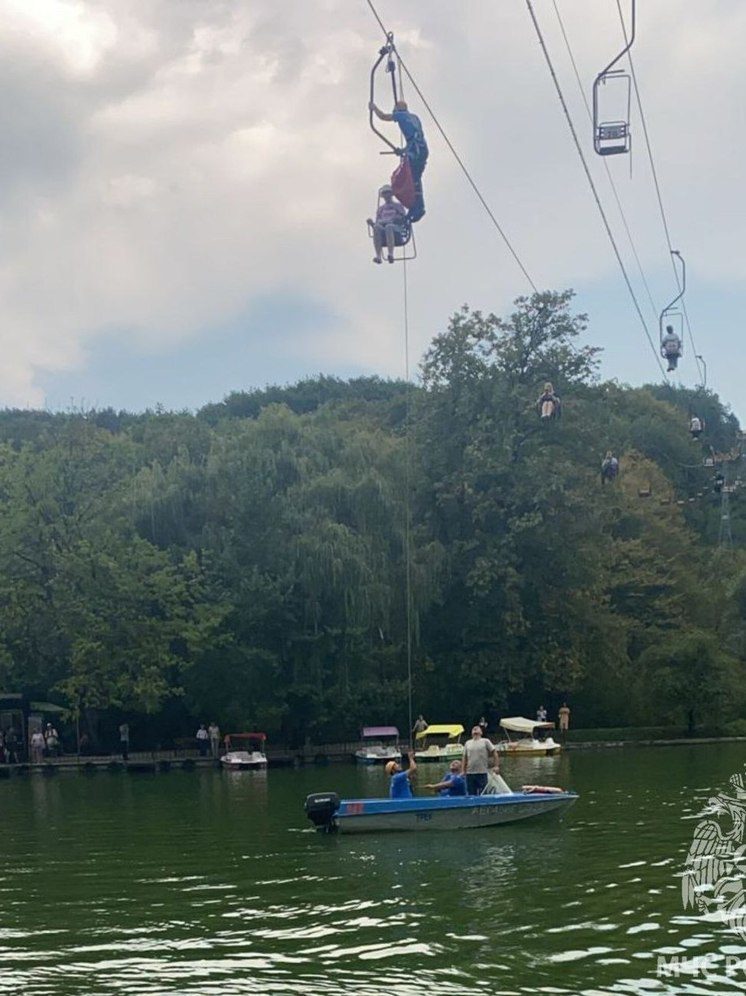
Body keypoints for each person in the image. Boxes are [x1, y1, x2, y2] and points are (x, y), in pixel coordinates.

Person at [369, 99, 428, 222]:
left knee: (411, 178)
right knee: (416, 178)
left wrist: (373, 108)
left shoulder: (401, 115)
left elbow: (383, 116)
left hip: (415, 152)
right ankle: (417, 206)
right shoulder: (414, 117)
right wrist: (403, 151)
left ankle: (417, 207)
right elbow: (414, 137)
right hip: (421, 150)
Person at [368, 184, 408, 264]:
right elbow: (377, 223)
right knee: (377, 227)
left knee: (389, 227)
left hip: (396, 229)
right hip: (383, 229)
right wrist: (372, 224)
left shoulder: (398, 206)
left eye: (388, 193)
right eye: (384, 193)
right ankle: (378, 256)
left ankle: (390, 254)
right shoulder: (381, 209)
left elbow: (404, 219)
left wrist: (395, 219)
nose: (386, 195)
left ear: (391, 194)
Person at [461, 725, 496, 796]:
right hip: (470, 773)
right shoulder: (467, 743)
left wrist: (496, 766)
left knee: (483, 793)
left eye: (477, 729)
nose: (475, 729)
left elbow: (494, 753)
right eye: (473, 729)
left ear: (481, 732)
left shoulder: (485, 741)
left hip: (482, 772)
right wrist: (463, 771)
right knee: (471, 793)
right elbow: (464, 757)